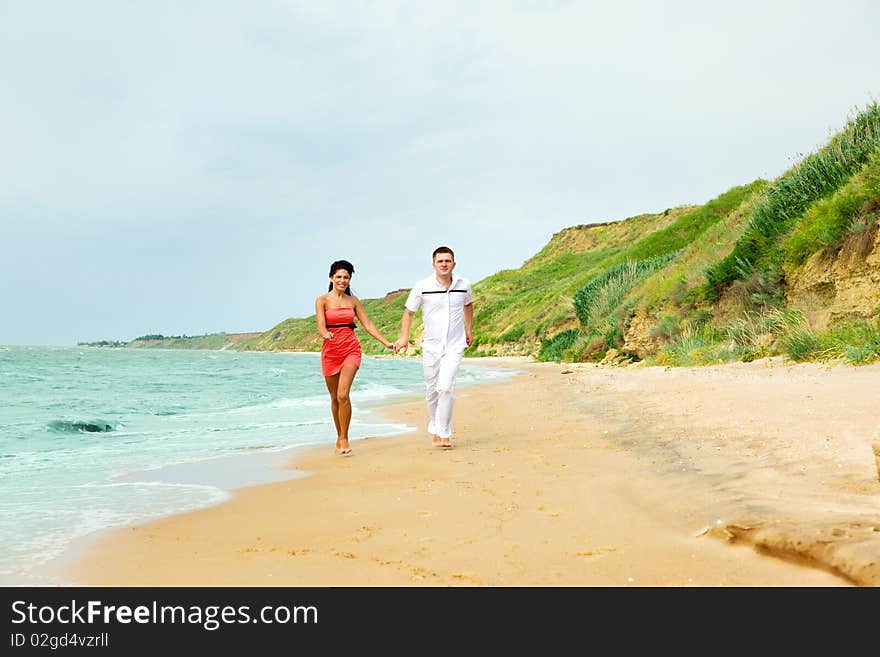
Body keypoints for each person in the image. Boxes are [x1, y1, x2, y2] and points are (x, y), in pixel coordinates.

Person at [393, 246, 474, 449]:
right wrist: (404, 337)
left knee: (445, 387)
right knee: (432, 391)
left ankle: (444, 433)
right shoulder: (422, 286)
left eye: (448, 261)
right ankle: (435, 425)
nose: (444, 264)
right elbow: (408, 312)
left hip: (455, 345)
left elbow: (468, 305)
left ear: (454, 264)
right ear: (434, 265)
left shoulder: (464, 285)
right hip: (431, 347)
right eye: (440, 261)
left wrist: (469, 330)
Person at [316, 259, 396, 455]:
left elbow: (367, 325)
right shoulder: (322, 300)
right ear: (331, 278)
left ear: (350, 280)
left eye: (346, 277)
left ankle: (344, 438)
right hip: (330, 351)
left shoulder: (353, 302)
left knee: (343, 394)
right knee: (334, 397)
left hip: (351, 349)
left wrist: (385, 342)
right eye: (339, 277)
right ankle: (339, 435)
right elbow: (320, 324)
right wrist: (325, 333)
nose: (342, 280)